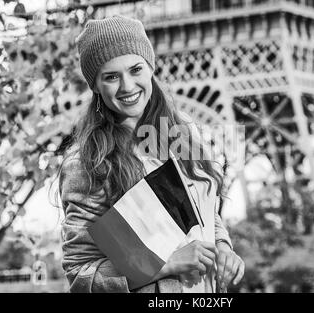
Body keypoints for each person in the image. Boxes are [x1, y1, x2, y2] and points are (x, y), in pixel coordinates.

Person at [57, 14, 244, 293]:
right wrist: (163, 263)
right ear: (95, 85)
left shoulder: (181, 133)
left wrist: (222, 247)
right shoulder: (86, 163)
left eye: (135, 69)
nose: (128, 86)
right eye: (111, 77)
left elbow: (202, 209)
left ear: (150, 68)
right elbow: (81, 275)